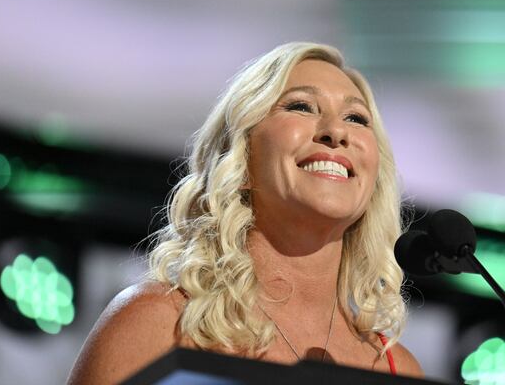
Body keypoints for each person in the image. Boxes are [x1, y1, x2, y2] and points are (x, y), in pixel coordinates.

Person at [67, 42, 423, 384]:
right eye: (301, 106)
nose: (335, 132)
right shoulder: (158, 324)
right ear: (240, 155)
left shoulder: (396, 369)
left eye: (356, 117)